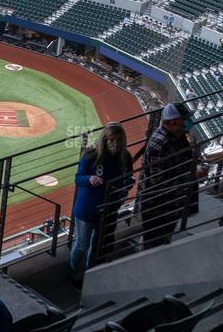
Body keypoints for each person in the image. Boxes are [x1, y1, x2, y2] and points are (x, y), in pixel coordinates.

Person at [136, 103, 207, 250]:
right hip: (158, 207)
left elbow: (182, 159)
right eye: (185, 119)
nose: (188, 122)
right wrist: (192, 176)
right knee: (153, 243)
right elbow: (158, 182)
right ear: (173, 122)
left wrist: (198, 158)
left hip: (172, 202)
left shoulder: (178, 134)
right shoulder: (159, 145)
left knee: (164, 236)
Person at [70, 123, 133, 284]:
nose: (115, 143)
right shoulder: (91, 155)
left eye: (118, 140)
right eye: (111, 140)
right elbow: (78, 178)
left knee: (97, 246)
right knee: (82, 245)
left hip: (109, 209)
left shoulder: (126, 157)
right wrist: (89, 179)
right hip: (87, 208)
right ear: (104, 139)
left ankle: (89, 275)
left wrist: (126, 186)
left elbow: (128, 179)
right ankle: (74, 274)